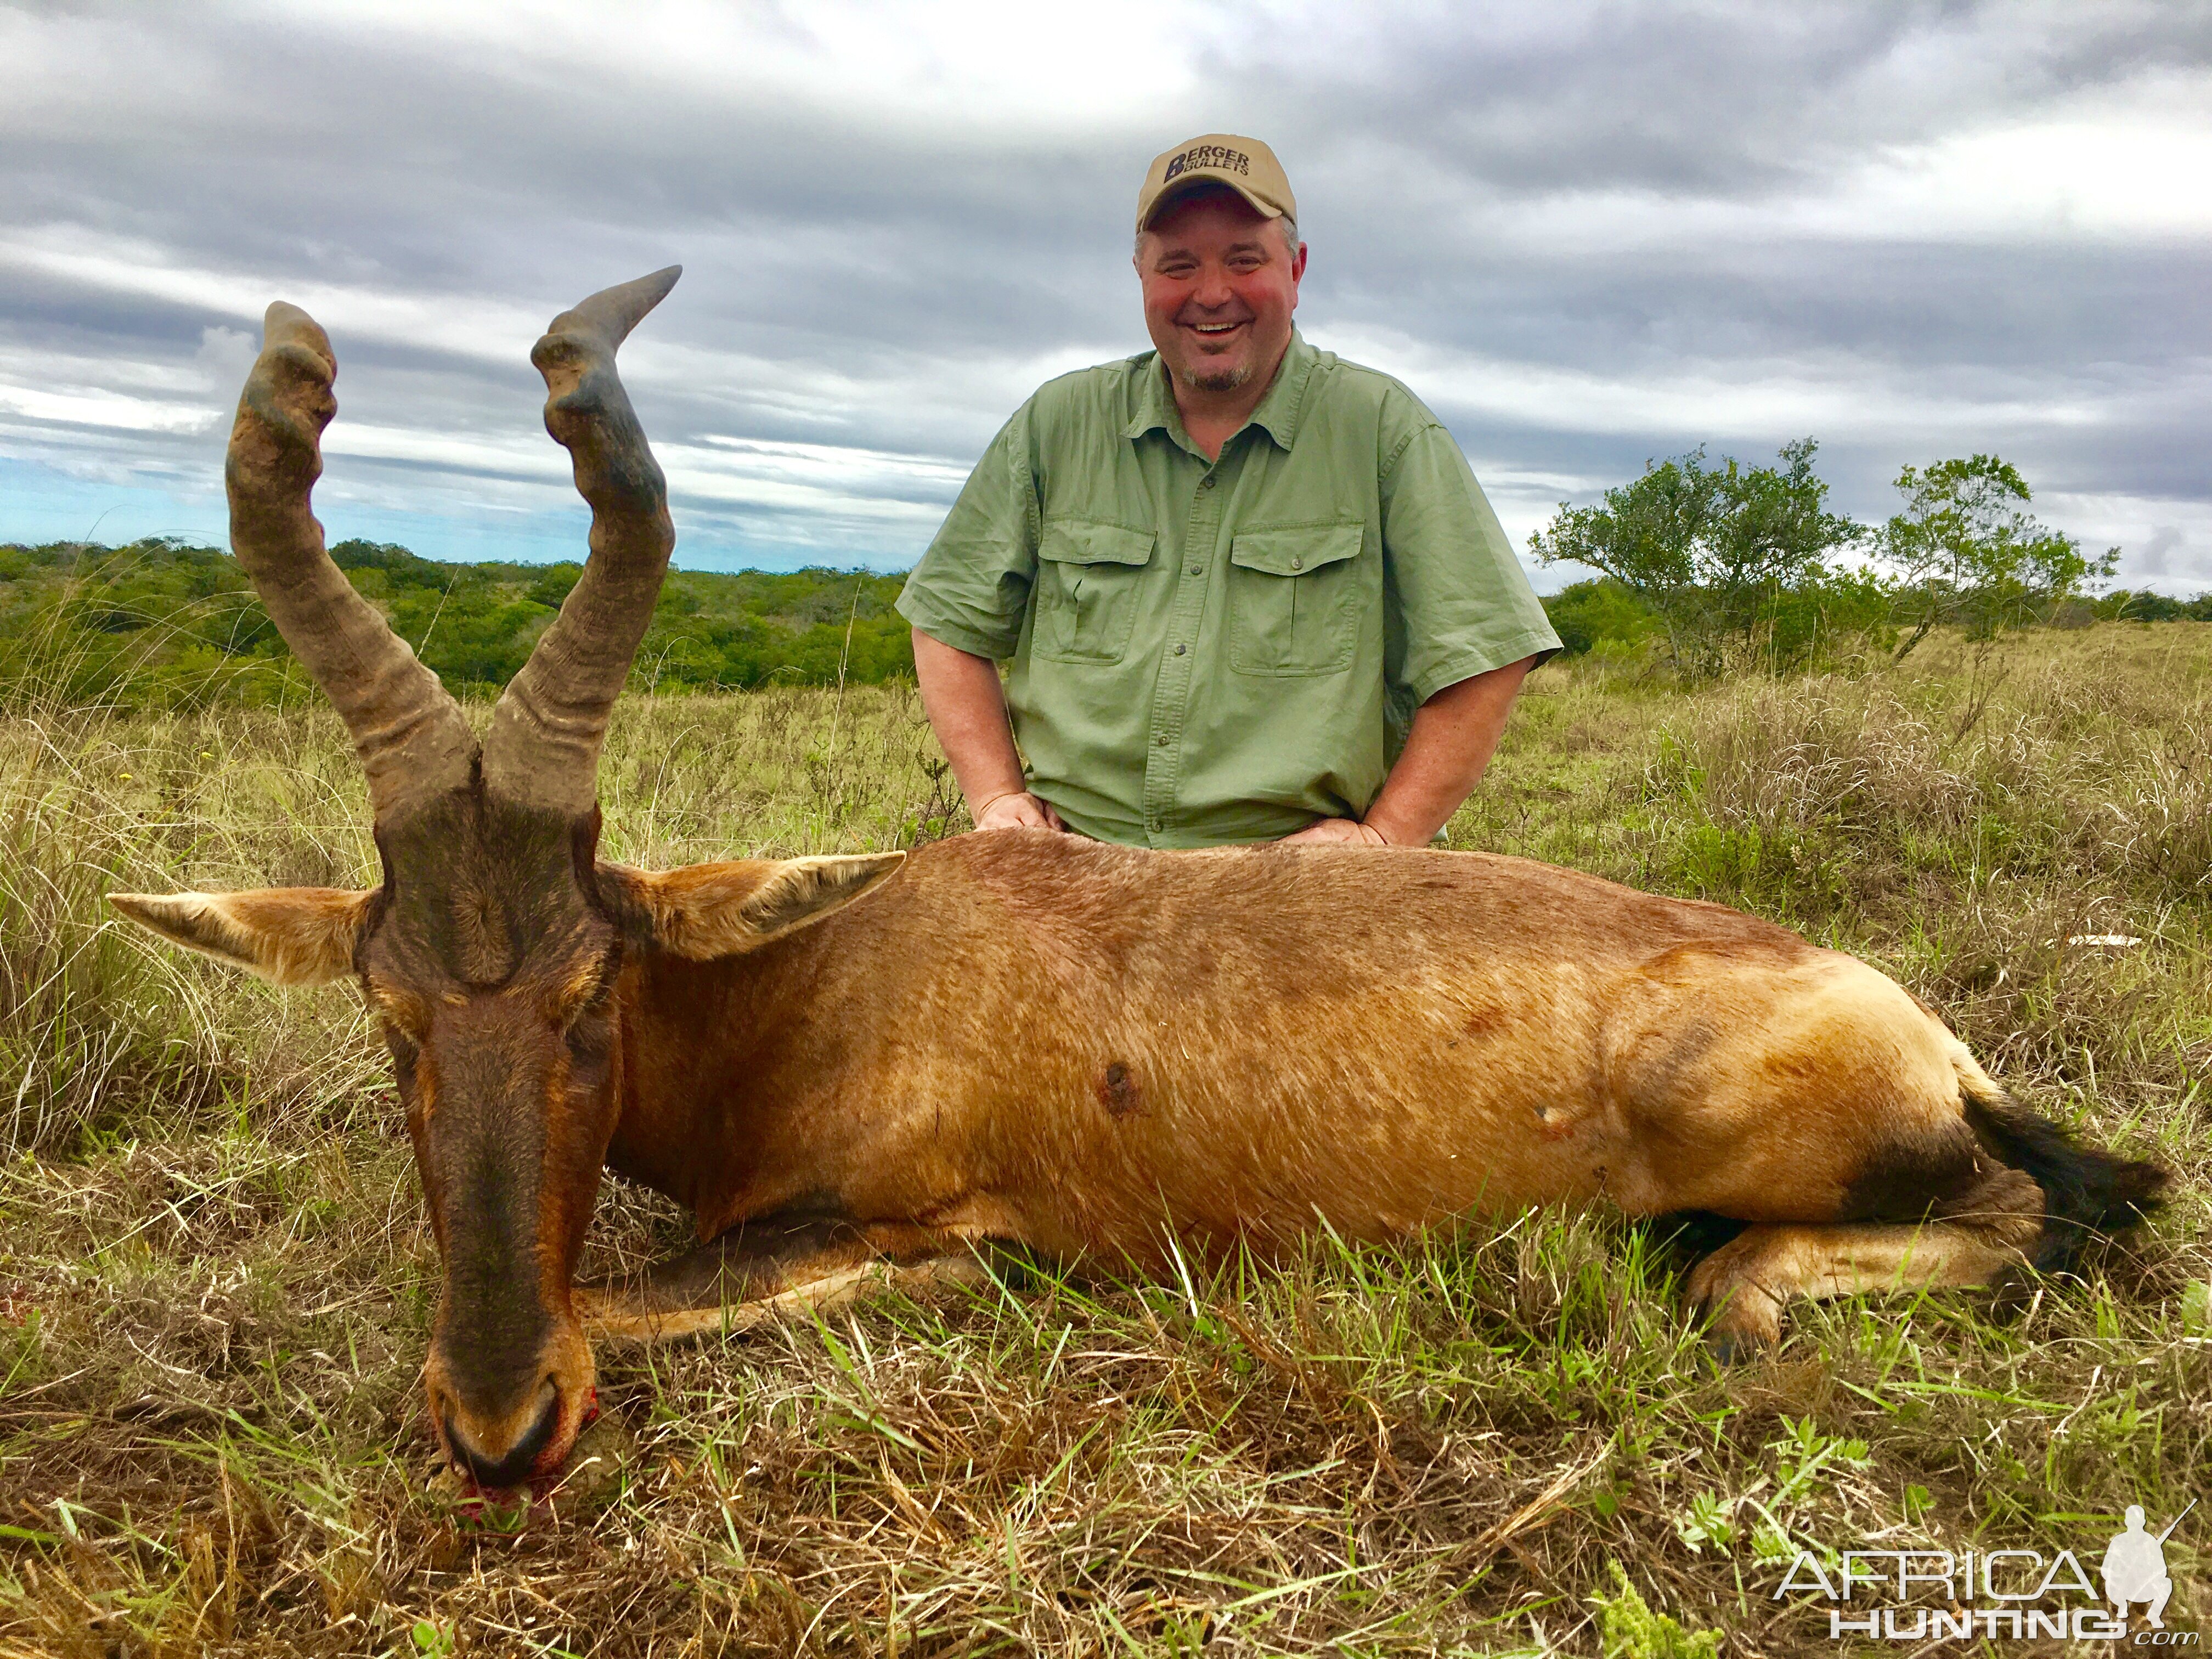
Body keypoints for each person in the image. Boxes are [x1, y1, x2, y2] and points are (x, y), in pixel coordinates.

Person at [896, 132, 1560, 848]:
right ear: (1141, 276)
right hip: (1074, 868)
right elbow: (946, 619)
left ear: (1297, 268)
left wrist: (1383, 841)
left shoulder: (1383, 431)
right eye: (1178, 266)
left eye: (1245, 260)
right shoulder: (1057, 423)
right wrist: (997, 795)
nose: (1212, 295)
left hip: (1293, 884)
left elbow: (1488, 653)